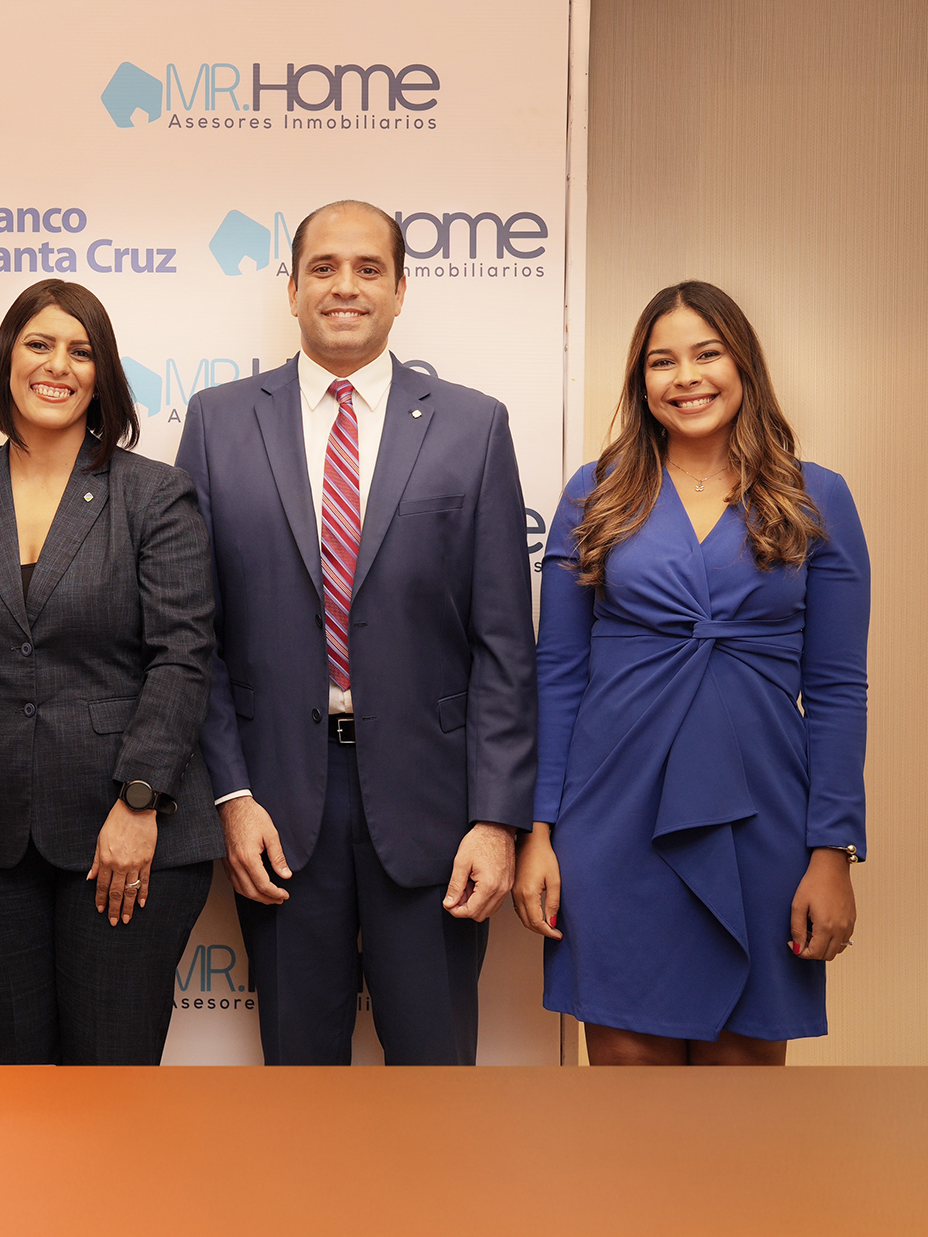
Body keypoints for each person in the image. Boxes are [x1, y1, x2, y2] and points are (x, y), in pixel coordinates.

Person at [172, 200, 537, 1065]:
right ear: (292, 288)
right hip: (277, 805)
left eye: (369, 268)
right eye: (324, 268)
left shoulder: (473, 425)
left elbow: (502, 644)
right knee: (301, 1079)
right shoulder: (219, 422)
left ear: (401, 289)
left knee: (434, 1076)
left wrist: (496, 818)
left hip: (435, 808)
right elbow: (195, 637)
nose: (346, 286)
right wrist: (231, 797)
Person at [513, 282, 867, 1065]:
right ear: (641, 381)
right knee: (628, 1076)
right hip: (612, 817)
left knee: (743, 1084)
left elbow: (839, 690)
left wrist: (833, 851)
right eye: (662, 361)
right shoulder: (595, 492)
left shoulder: (816, 496)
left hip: (764, 815)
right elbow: (559, 675)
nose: (687, 377)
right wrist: (537, 833)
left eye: (708, 353)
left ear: (744, 365)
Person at [0, 279, 218, 1065]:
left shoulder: (154, 494)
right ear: (6, 358)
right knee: (14, 1085)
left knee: (109, 1083)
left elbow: (181, 657)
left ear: (102, 373)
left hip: (129, 833)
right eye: (39, 344)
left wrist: (138, 799)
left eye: (80, 351)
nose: (57, 365)